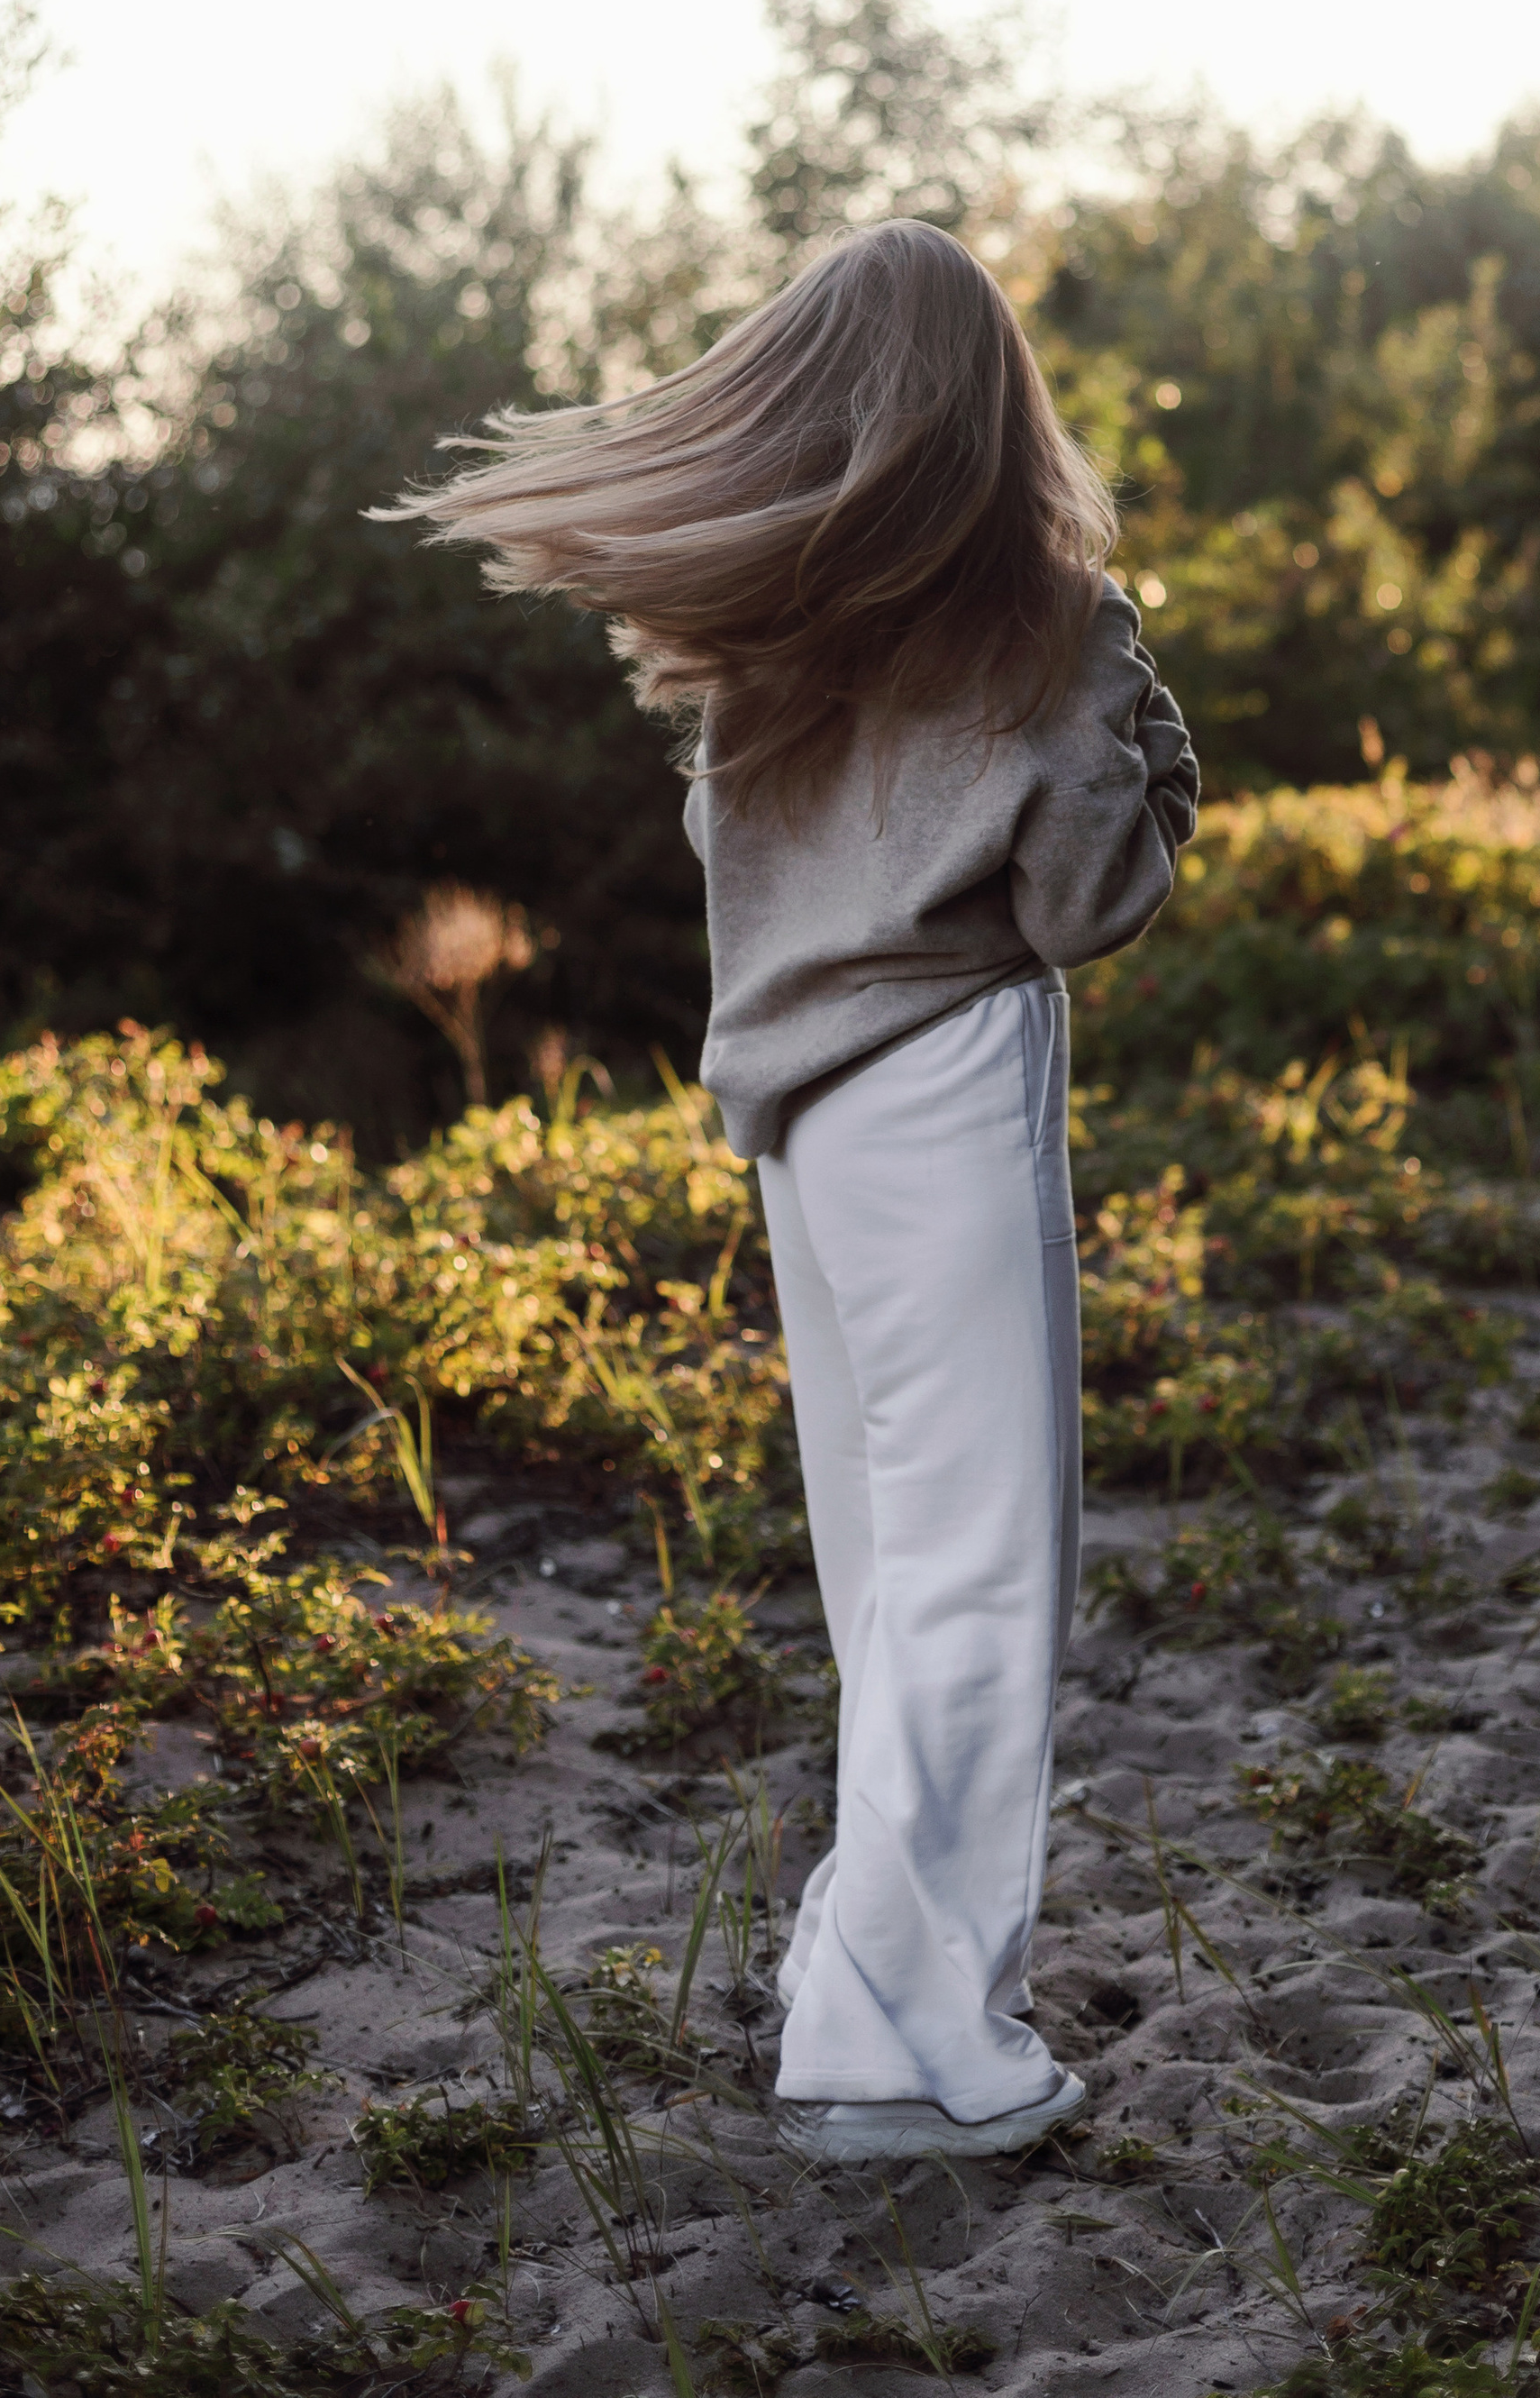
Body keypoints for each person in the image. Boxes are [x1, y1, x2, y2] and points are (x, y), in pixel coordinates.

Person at [393, 218, 1198, 2161]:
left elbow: (746, 871)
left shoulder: (772, 635)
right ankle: (904, 2047)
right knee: (977, 1564)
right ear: (992, 398)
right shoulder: (1041, 618)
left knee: (890, 1566)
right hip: (942, 1085)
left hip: (802, 1124)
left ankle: (861, 1973)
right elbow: (1089, 904)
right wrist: (1145, 736)